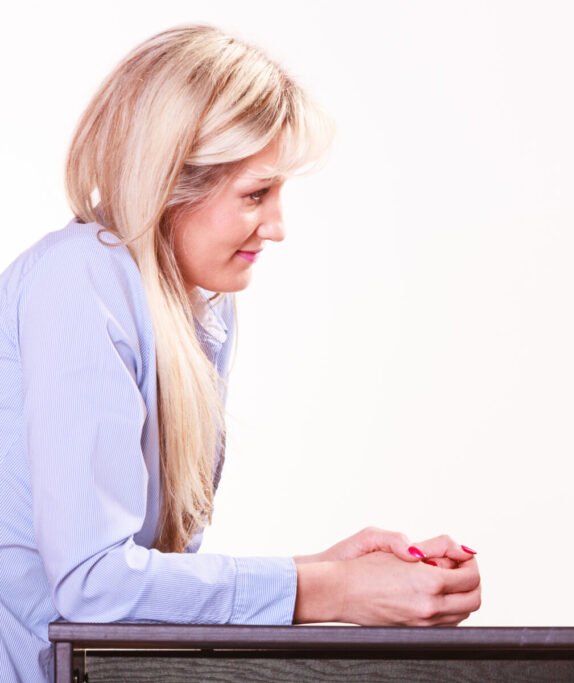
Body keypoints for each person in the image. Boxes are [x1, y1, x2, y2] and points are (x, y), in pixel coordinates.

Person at [0, 25, 481, 682]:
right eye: (257, 194)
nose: (278, 227)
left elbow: (141, 597)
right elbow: (94, 584)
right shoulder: (81, 277)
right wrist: (326, 588)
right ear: (168, 182)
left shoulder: (202, 308)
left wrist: (331, 572)